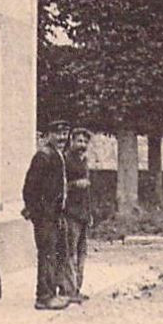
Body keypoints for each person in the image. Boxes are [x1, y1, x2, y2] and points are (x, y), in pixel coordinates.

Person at [21, 120, 70, 311]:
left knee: (56, 253)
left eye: (65, 133)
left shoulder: (57, 155)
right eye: (58, 133)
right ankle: (44, 297)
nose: (62, 138)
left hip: (55, 215)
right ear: (48, 134)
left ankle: (53, 293)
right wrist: (37, 213)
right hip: (45, 216)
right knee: (47, 254)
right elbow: (29, 188)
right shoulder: (43, 156)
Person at [60, 127, 93, 304]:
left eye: (85, 142)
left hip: (83, 214)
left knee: (81, 253)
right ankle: (68, 289)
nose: (82, 145)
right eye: (79, 141)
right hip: (70, 213)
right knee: (69, 252)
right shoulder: (65, 161)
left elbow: (87, 191)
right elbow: (60, 186)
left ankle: (77, 288)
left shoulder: (84, 161)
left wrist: (90, 213)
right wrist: (75, 184)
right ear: (72, 141)